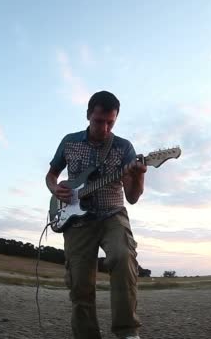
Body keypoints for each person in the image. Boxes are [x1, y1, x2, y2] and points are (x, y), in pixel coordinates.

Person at [45, 91, 146, 339]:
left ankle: (127, 332)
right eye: (99, 121)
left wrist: (139, 174)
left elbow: (132, 197)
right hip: (77, 222)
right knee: (80, 283)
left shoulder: (124, 148)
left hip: (113, 214)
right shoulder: (69, 142)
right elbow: (51, 175)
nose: (104, 127)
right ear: (88, 115)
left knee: (123, 258)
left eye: (110, 122)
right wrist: (55, 189)